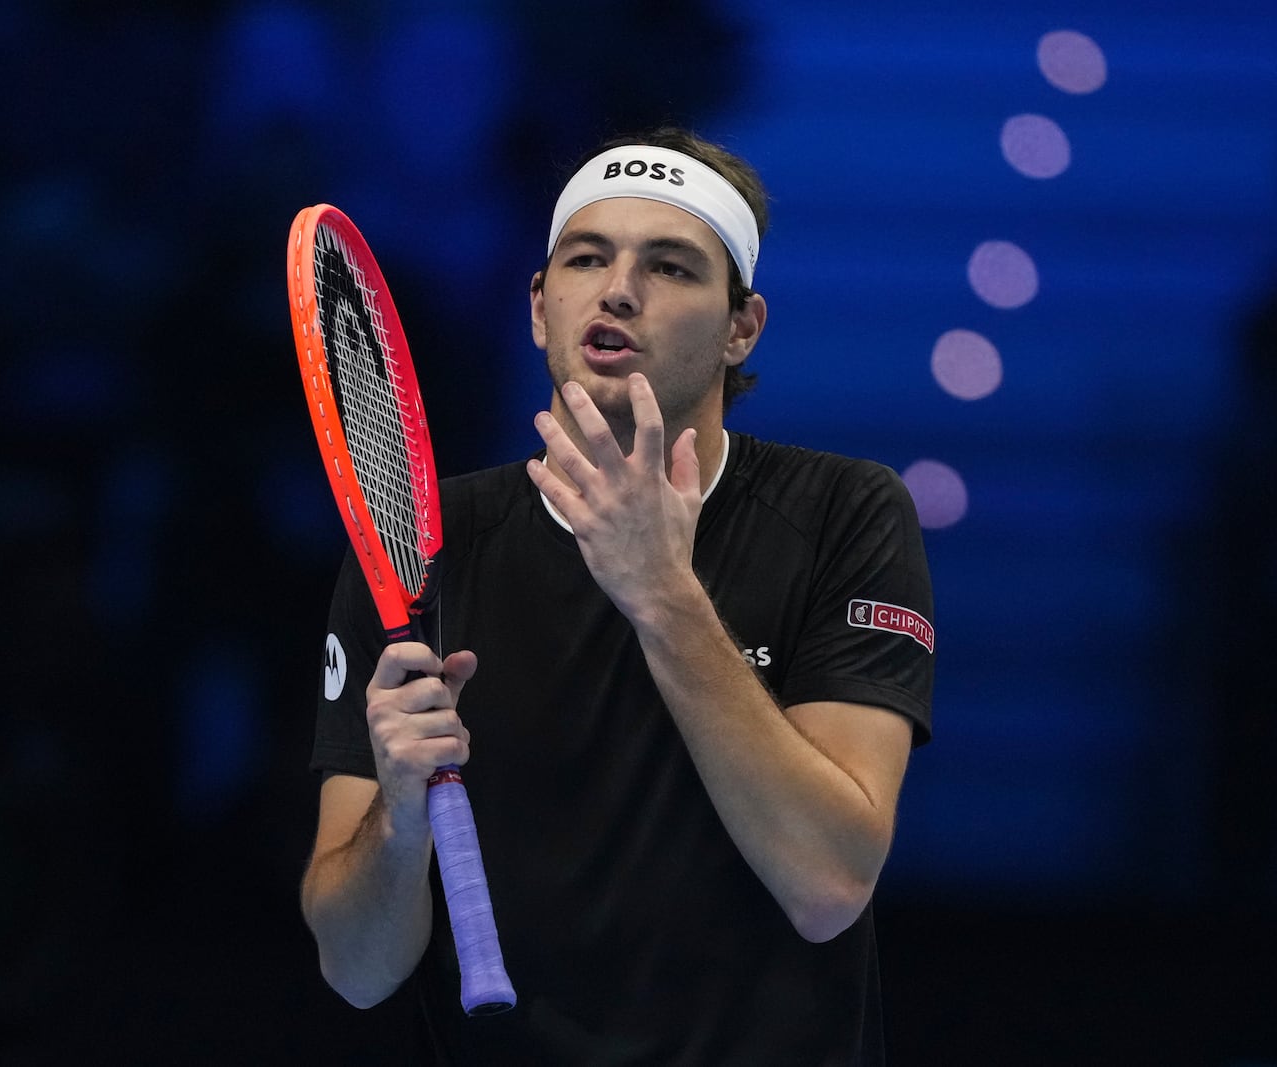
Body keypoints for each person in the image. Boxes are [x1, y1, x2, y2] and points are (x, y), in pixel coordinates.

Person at [301, 127, 935, 1065]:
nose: (619, 288)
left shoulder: (844, 513)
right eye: (586, 256)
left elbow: (829, 881)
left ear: (741, 326)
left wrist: (662, 593)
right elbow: (356, 968)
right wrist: (397, 813)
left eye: (671, 265)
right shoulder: (420, 547)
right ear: (538, 306)